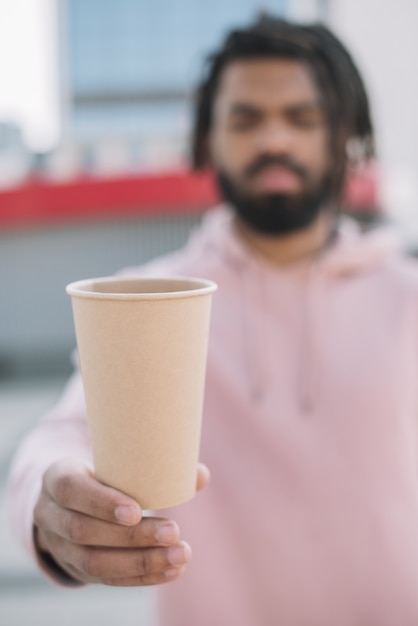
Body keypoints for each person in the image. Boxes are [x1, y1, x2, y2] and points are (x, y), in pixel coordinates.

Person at [8, 14, 418, 626]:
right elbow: (59, 440)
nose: (275, 139)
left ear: (344, 137)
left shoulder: (407, 298)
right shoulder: (142, 300)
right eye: (245, 119)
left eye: (302, 118)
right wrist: (51, 509)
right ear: (207, 139)